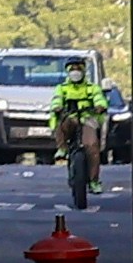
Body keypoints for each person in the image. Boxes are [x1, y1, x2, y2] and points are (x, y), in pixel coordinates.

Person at [54, 66, 109, 206]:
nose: (75, 72)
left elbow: (99, 99)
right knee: (60, 124)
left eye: (78, 68)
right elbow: (57, 100)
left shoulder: (92, 87)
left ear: (84, 71)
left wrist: (100, 106)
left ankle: (94, 181)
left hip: (87, 119)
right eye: (72, 69)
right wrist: (57, 107)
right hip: (70, 118)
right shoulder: (62, 88)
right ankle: (62, 148)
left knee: (92, 147)